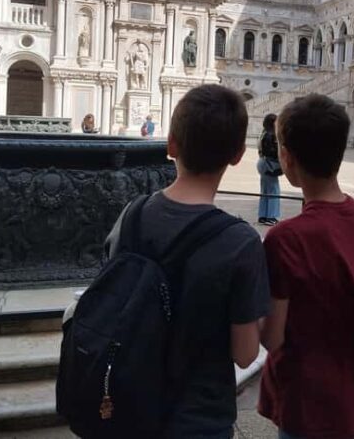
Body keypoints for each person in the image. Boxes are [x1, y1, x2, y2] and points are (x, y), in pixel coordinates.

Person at [103, 85, 270, 436]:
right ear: (238, 155)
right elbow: (244, 353)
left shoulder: (130, 216)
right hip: (199, 417)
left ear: (171, 144)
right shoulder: (240, 243)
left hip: (129, 406)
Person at [258, 94, 354, 439]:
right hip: (351, 395)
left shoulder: (286, 238)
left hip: (306, 401)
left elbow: (272, 336)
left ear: (287, 158)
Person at [257, 113, 281, 226]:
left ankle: (263, 215)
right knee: (274, 191)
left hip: (263, 162)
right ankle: (271, 217)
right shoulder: (271, 135)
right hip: (269, 164)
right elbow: (272, 152)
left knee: (265, 191)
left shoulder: (264, 133)